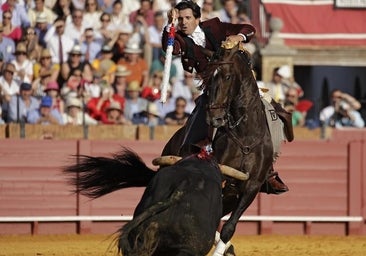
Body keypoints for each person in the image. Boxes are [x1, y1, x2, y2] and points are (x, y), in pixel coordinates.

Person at [162, 0, 288, 194]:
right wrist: (169, 26)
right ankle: (191, 154)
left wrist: (238, 36)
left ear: (198, 18)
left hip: (240, 89)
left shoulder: (215, 26)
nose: (184, 22)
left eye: (188, 18)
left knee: (271, 114)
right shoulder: (178, 37)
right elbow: (171, 48)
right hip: (214, 91)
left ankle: (267, 170)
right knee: (199, 118)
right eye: (180, 19)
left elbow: (249, 28)